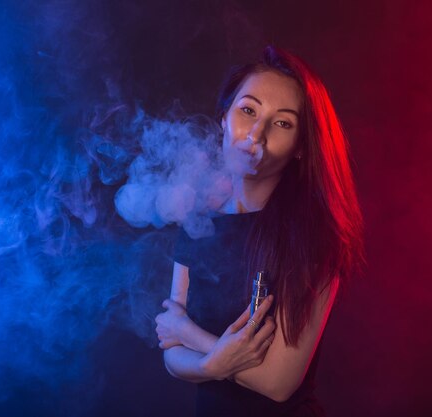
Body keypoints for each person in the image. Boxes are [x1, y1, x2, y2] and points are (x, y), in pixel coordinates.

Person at [155, 46, 364, 416]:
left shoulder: (315, 237)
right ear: (223, 119)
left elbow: (278, 384)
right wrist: (209, 366)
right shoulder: (197, 224)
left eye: (282, 123)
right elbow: (172, 356)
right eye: (248, 110)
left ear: (301, 147)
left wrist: (193, 336)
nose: (256, 134)